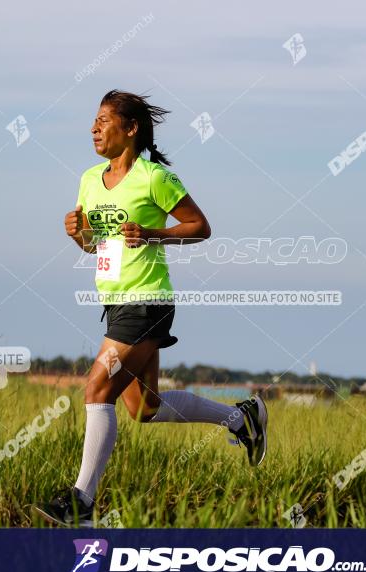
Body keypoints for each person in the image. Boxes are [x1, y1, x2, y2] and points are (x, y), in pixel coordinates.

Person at [34, 90, 267, 528]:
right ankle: (241, 417)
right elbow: (94, 246)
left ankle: (81, 502)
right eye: (94, 121)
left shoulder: (153, 176)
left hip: (146, 300)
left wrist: (155, 234)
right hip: (115, 301)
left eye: (104, 120)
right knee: (145, 410)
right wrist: (76, 236)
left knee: (97, 390)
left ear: (131, 128)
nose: (94, 128)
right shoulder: (88, 179)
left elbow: (200, 227)